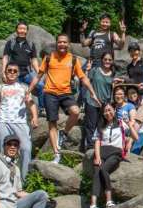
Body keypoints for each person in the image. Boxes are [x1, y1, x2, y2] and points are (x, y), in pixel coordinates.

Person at [30, 33, 99, 164]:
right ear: (57, 43)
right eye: (60, 42)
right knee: (52, 123)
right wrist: (28, 91)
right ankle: (57, 154)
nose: (62, 44)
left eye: (64, 42)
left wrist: (92, 92)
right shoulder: (49, 58)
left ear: (68, 44)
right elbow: (38, 76)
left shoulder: (73, 59)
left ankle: (64, 132)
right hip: (50, 93)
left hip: (66, 93)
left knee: (76, 112)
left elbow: (83, 77)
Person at [0, 63, 39, 179]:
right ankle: (3, 178)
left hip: (20, 123)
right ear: (5, 72)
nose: (12, 73)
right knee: (3, 151)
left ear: (18, 73)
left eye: (15, 71)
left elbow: (30, 103)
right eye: (9, 70)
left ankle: (24, 180)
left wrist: (35, 116)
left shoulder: (24, 87)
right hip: (3, 122)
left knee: (25, 149)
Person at [90, 101, 132, 208]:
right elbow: (97, 141)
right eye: (105, 111)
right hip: (102, 152)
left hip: (115, 152)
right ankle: (93, 204)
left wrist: (127, 145)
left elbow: (132, 135)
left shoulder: (121, 123)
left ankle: (109, 200)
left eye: (110, 110)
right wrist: (97, 157)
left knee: (104, 169)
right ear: (102, 113)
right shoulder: (100, 125)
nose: (108, 113)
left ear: (114, 110)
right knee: (96, 173)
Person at [1, 21, 44, 114]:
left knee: (41, 86)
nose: (22, 31)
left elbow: (34, 59)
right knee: (16, 92)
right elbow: (5, 57)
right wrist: (3, 71)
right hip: (13, 74)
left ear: (27, 31)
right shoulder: (11, 43)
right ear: (16, 30)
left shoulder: (31, 44)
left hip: (27, 73)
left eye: (24, 29)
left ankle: (42, 109)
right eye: (20, 28)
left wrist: (38, 72)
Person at [83, 51, 120, 150]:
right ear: (102, 60)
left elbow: (114, 89)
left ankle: (101, 147)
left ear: (112, 61)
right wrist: (87, 70)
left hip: (105, 105)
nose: (107, 61)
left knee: (101, 126)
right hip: (92, 101)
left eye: (109, 60)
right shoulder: (95, 70)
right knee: (91, 125)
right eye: (105, 59)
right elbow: (85, 81)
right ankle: (90, 148)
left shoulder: (114, 74)